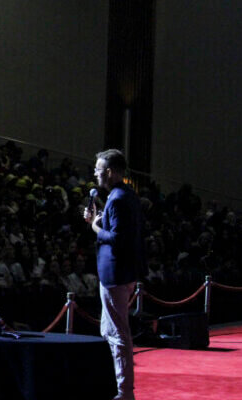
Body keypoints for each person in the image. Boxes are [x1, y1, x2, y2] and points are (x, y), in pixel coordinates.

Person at [84, 149, 144, 400]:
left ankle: (124, 391)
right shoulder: (126, 195)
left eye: (98, 169)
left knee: (118, 334)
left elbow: (118, 238)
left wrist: (95, 227)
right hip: (123, 272)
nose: (95, 173)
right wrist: (101, 219)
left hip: (115, 273)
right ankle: (113, 385)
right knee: (109, 331)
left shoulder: (117, 199)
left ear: (109, 172)